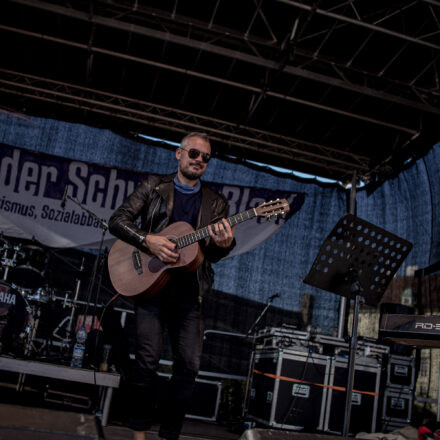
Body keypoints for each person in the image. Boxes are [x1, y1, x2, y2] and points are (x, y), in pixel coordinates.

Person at [108, 132, 235, 440]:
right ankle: (138, 433)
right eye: (193, 153)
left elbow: (212, 255)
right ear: (179, 154)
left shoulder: (216, 202)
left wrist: (225, 244)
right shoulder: (154, 186)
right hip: (150, 288)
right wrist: (146, 240)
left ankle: (169, 436)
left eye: (205, 157)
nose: (199, 160)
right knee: (147, 361)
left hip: (190, 296)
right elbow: (117, 220)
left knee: (189, 367)